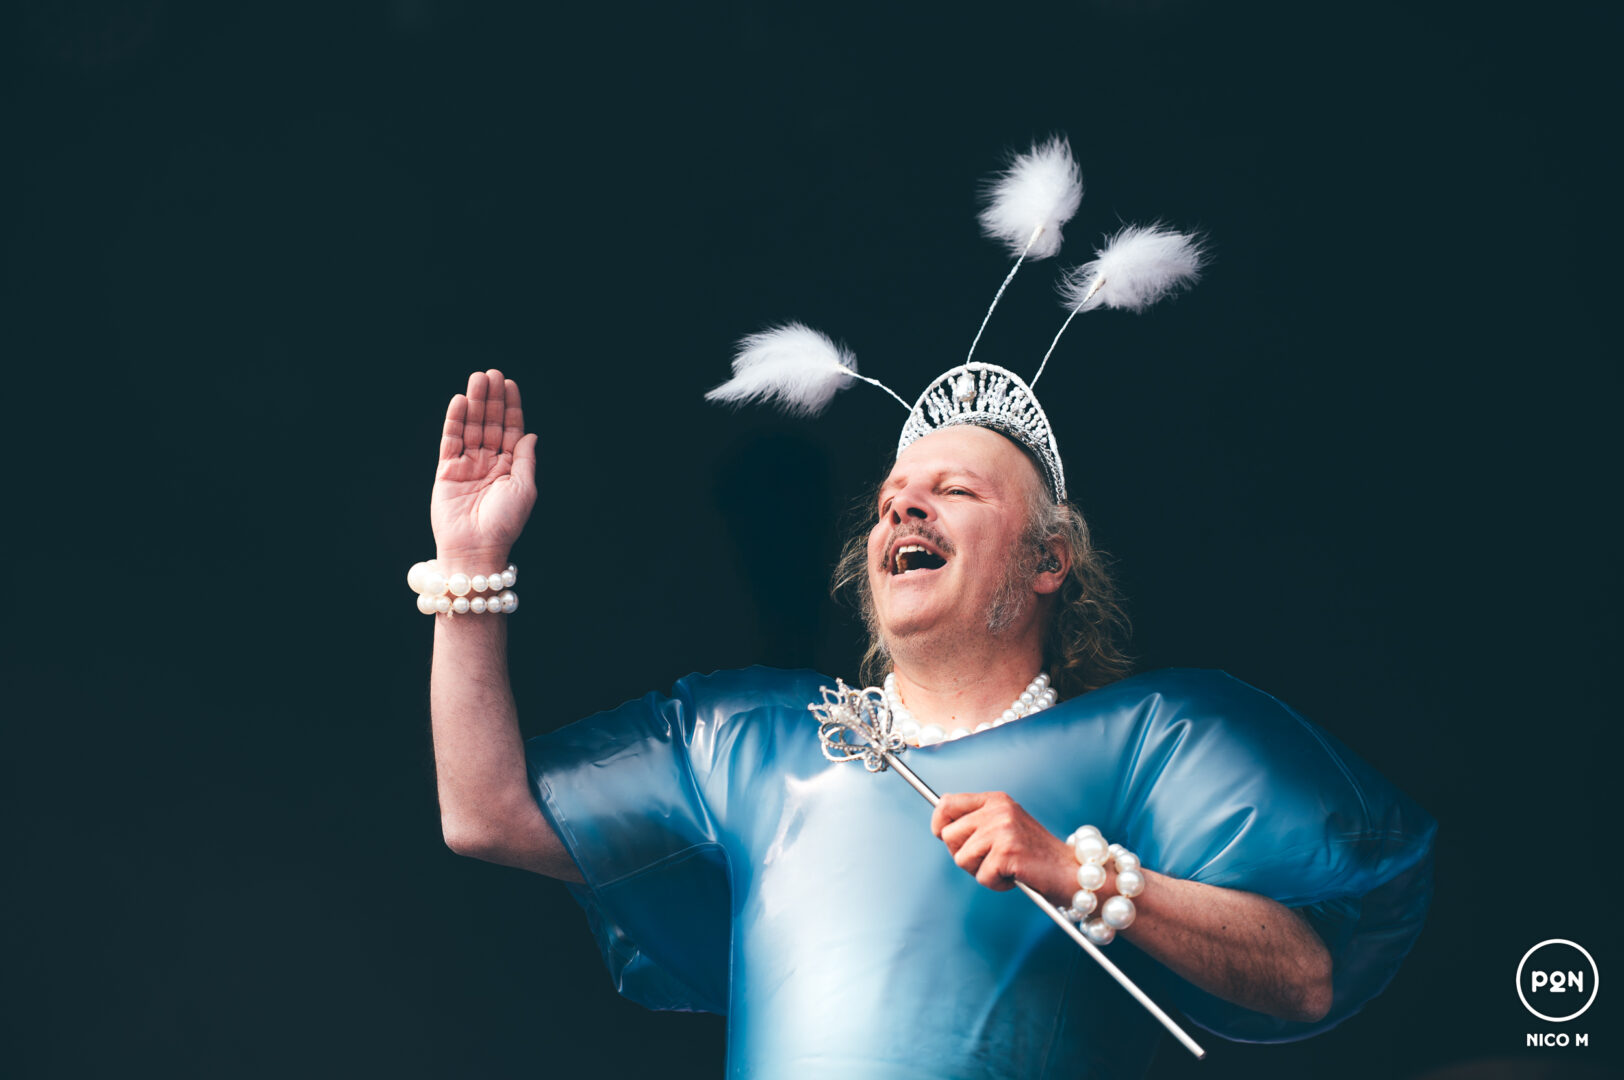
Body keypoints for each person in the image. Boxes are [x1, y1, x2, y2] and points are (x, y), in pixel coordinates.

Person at [421, 366, 1435, 1079]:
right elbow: (486, 813)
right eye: (890, 501)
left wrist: (1079, 872)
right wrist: (469, 567)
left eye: (952, 491)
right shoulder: (747, 739)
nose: (903, 511)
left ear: (1048, 560)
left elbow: (1304, 977)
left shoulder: (1155, 739)